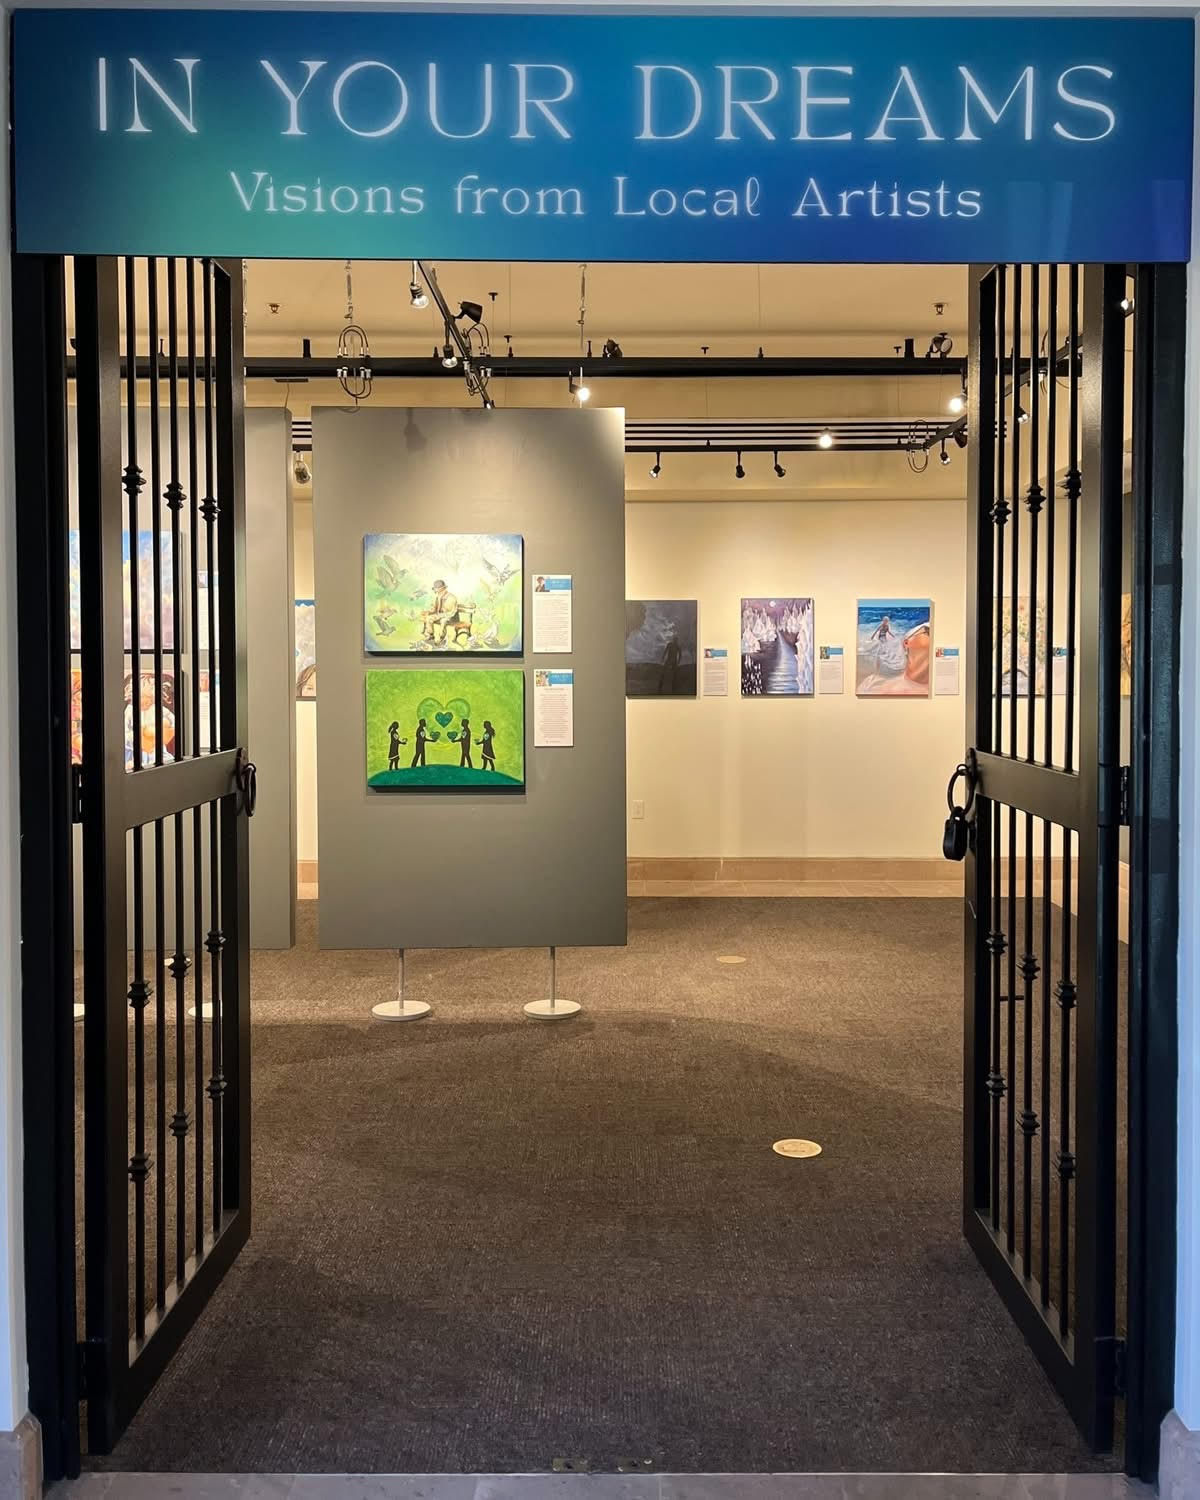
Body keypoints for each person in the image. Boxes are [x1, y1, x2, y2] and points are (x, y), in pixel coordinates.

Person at [420, 577, 459, 643]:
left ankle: (441, 638)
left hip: (451, 617)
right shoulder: (438, 597)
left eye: (436, 589)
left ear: (442, 589)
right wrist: (429, 612)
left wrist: (438, 615)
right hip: (440, 615)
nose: (435, 591)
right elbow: (434, 608)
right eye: (435, 589)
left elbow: (450, 612)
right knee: (429, 618)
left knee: (443, 621)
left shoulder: (451, 597)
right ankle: (430, 636)